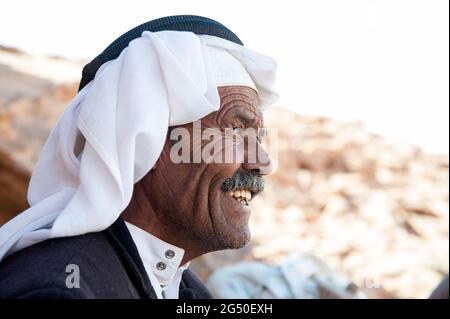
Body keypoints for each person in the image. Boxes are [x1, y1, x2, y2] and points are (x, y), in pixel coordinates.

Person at [0, 15, 278, 299]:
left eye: (256, 138)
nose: (264, 163)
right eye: (235, 131)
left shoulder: (185, 291)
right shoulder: (57, 290)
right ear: (148, 142)